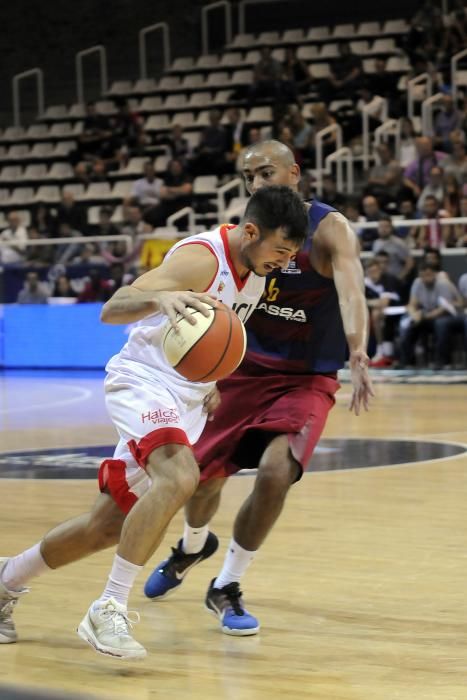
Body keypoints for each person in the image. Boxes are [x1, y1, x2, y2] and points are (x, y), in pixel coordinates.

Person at [0, 185, 307, 659]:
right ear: (251, 231)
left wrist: (214, 377)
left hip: (186, 399)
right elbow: (113, 307)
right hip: (142, 380)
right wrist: (160, 300)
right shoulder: (203, 258)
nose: (285, 261)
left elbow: (209, 340)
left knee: (105, 527)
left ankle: (6, 580)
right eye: (281, 249)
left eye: (292, 253)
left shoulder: (256, 275)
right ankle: (108, 608)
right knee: (181, 476)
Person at [143, 140, 374, 636]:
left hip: (306, 374)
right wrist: (209, 370)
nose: (256, 184)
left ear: (294, 172)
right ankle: (191, 546)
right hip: (242, 364)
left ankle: (226, 584)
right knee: (200, 480)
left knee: (275, 471)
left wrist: (358, 348)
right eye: (249, 177)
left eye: (266, 172)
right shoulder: (246, 233)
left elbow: (352, 288)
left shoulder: (329, 229)